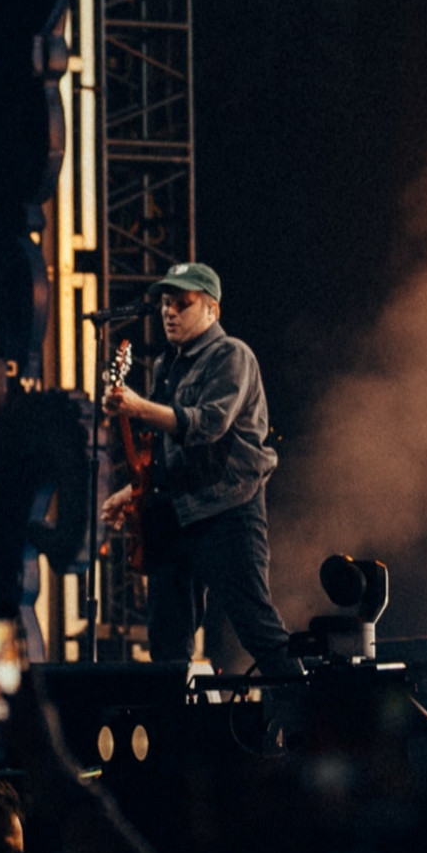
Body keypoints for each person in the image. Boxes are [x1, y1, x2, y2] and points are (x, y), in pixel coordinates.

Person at [98, 262, 300, 677]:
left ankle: (313, 711)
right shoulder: (166, 366)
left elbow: (207, 424)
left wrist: (138, 406)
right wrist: (132, 491)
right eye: (165, 303)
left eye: (182, 303)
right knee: (166, 642)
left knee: (257, 628)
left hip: (227, 511)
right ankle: (174, 718)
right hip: (175, 513)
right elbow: (163, 450)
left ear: (212, 310)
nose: (169, 311)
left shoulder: (232, 355)